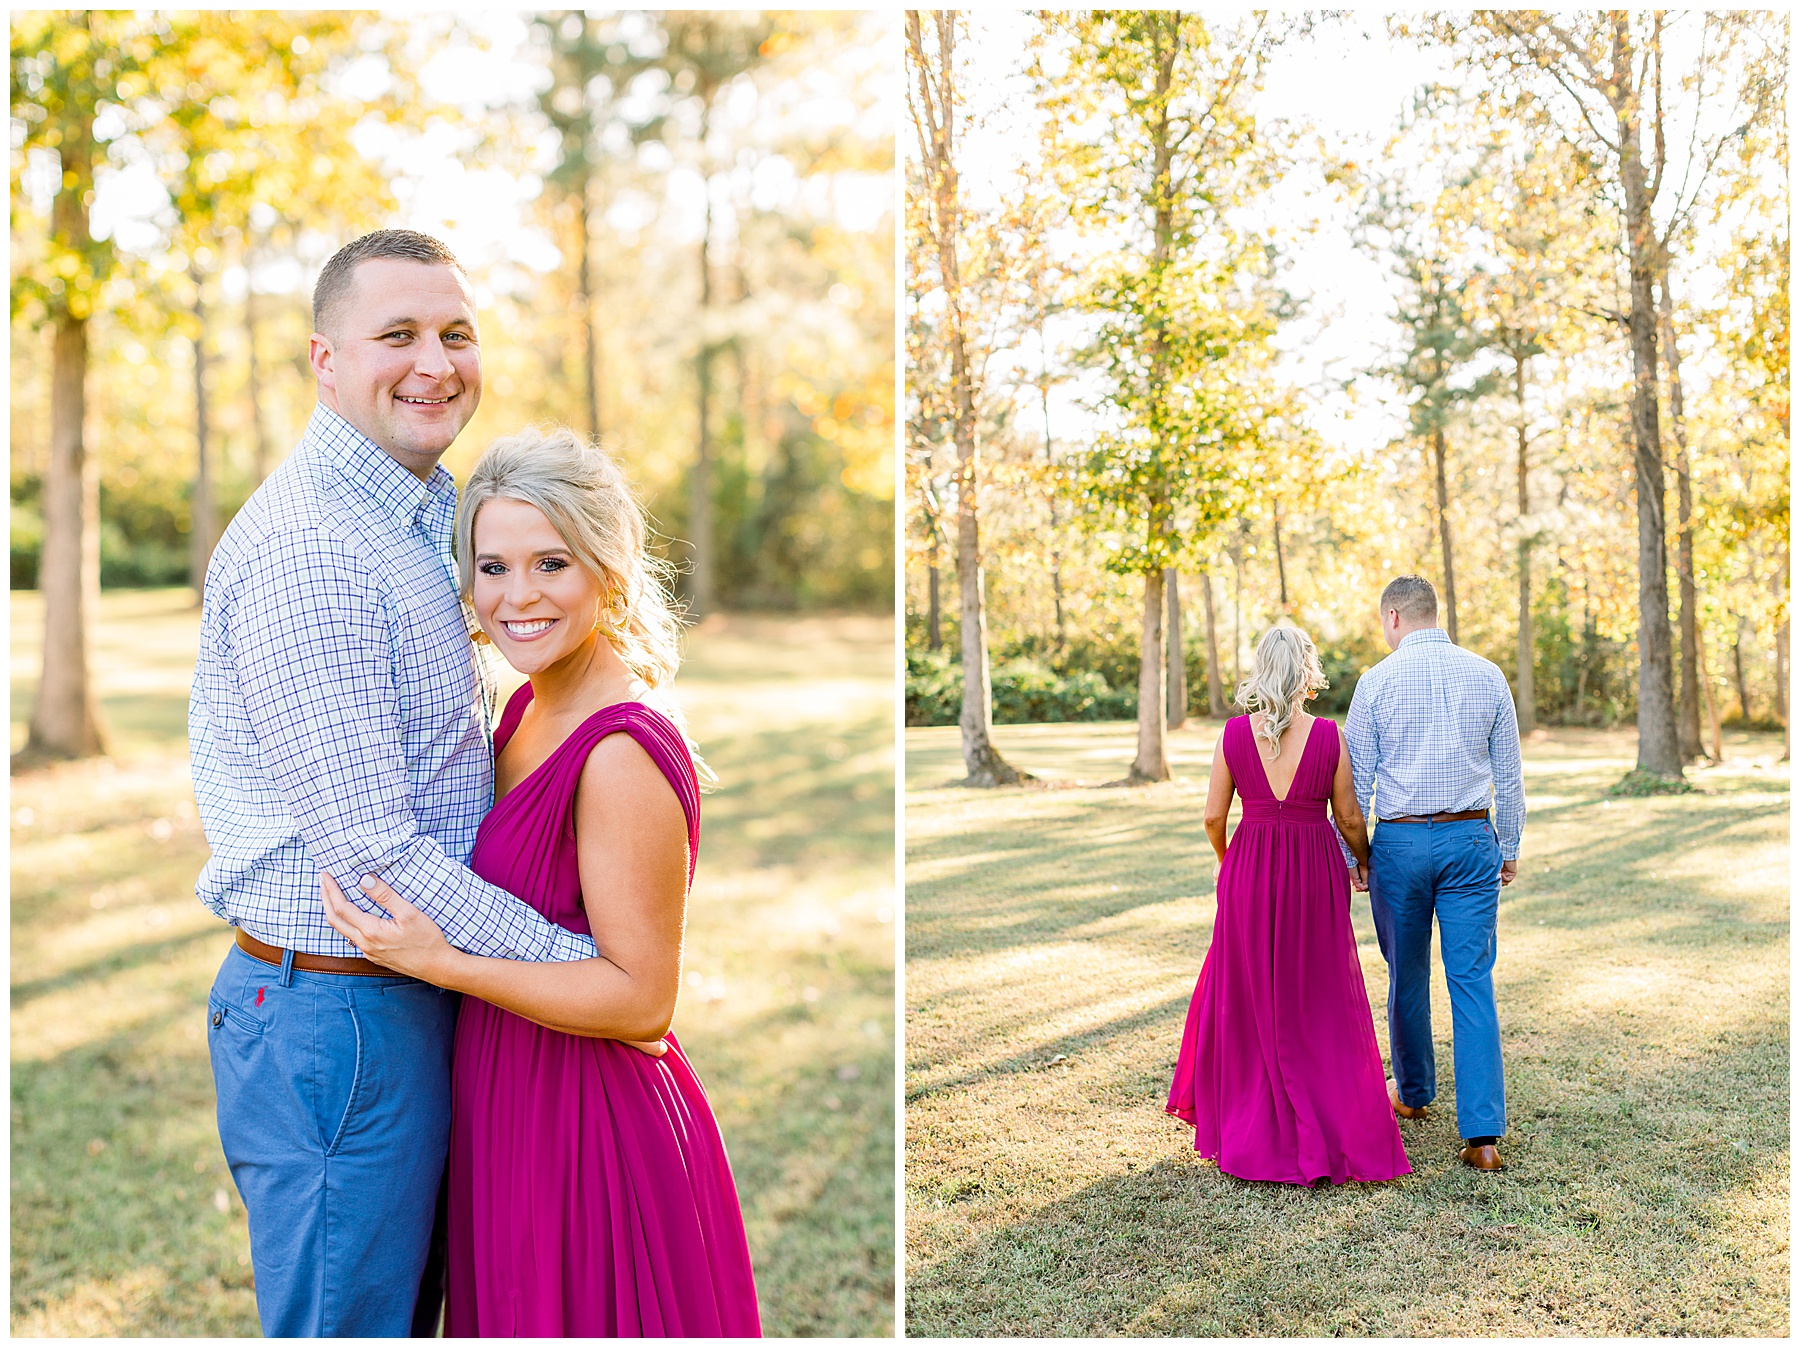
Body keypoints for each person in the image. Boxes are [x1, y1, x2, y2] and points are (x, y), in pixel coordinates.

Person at [191, 229, 607, 1336]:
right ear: (325, 360)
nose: (435, 362)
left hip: (410, 990)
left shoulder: (428, 513)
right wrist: (587, 970)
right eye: (398, 335)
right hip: (341, 1014)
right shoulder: (315, 547)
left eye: (455, 333)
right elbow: (375, 852)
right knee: (350, 1324)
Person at [320, 427, 762, 1336]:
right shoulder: (528, 704)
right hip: (507, 1105)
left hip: (589, 1127)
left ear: (607, 569)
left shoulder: (620, 749)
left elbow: (643, 1001)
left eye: (551, 563)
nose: (515, 597)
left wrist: (445, 964)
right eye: (492, 567)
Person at [1167, 625, 1411, 1185]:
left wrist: (1230, 859)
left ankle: (1248, 1120)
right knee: (1317, 990)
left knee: (1250, 991)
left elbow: (1211, 816)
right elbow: (1349, 816)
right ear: (1307, 673)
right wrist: (1364, 860)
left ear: (1261, 670)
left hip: (1248, 869)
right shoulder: (1328, 736)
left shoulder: (1232, 735)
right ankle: (1325, 1110)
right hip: (1312, 871)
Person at [1344, 575, 1525, 1172]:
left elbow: (1355, 782)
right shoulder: (1488, 674)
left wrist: (1356, 857)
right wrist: (1509, 844)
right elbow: (1510, 775)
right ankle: (1482, 1137)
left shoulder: (1375, 682)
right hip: (1471, 835)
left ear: (1394, 617)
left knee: (1407, 973)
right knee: (1471, 978)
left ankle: (1415, 1095)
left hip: (1397, 843)